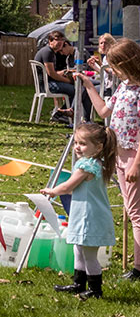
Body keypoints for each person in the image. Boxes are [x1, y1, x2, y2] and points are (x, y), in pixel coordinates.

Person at [75, 39, 140, 282]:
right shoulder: (124, 86)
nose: (113, 70)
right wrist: (88, 85)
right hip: (120, 155)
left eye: (115, 65)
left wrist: (136, 164)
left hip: (134, 156)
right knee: (132, 211)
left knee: (136, 214)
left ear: (128, 64)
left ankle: (138, 269)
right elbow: (103, 111)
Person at [41, 122, 118, 300]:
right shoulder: (95, 163)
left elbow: (68, 186)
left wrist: (52, 191)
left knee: (89, 255)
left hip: (89, 217)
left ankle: (95, 290)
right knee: (78, 250)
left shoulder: (87, 167)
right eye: (76, 142)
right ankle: (78, 284)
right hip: (85, 214)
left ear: (98, 147)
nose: (77, 147)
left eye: (82, 144)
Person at [35, 30, 76, 124]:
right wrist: (67, 80)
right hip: (47, 86)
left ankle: (61, 113)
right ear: (50, 41)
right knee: (76, 90)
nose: (59, 42)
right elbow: (52, 74)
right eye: (56, 39)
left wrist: (65, 71)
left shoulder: (50, 52)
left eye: (62, 40)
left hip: (47, 83)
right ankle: (62, 115)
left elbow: (53, 72)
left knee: (76, 89)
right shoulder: (48, 52)